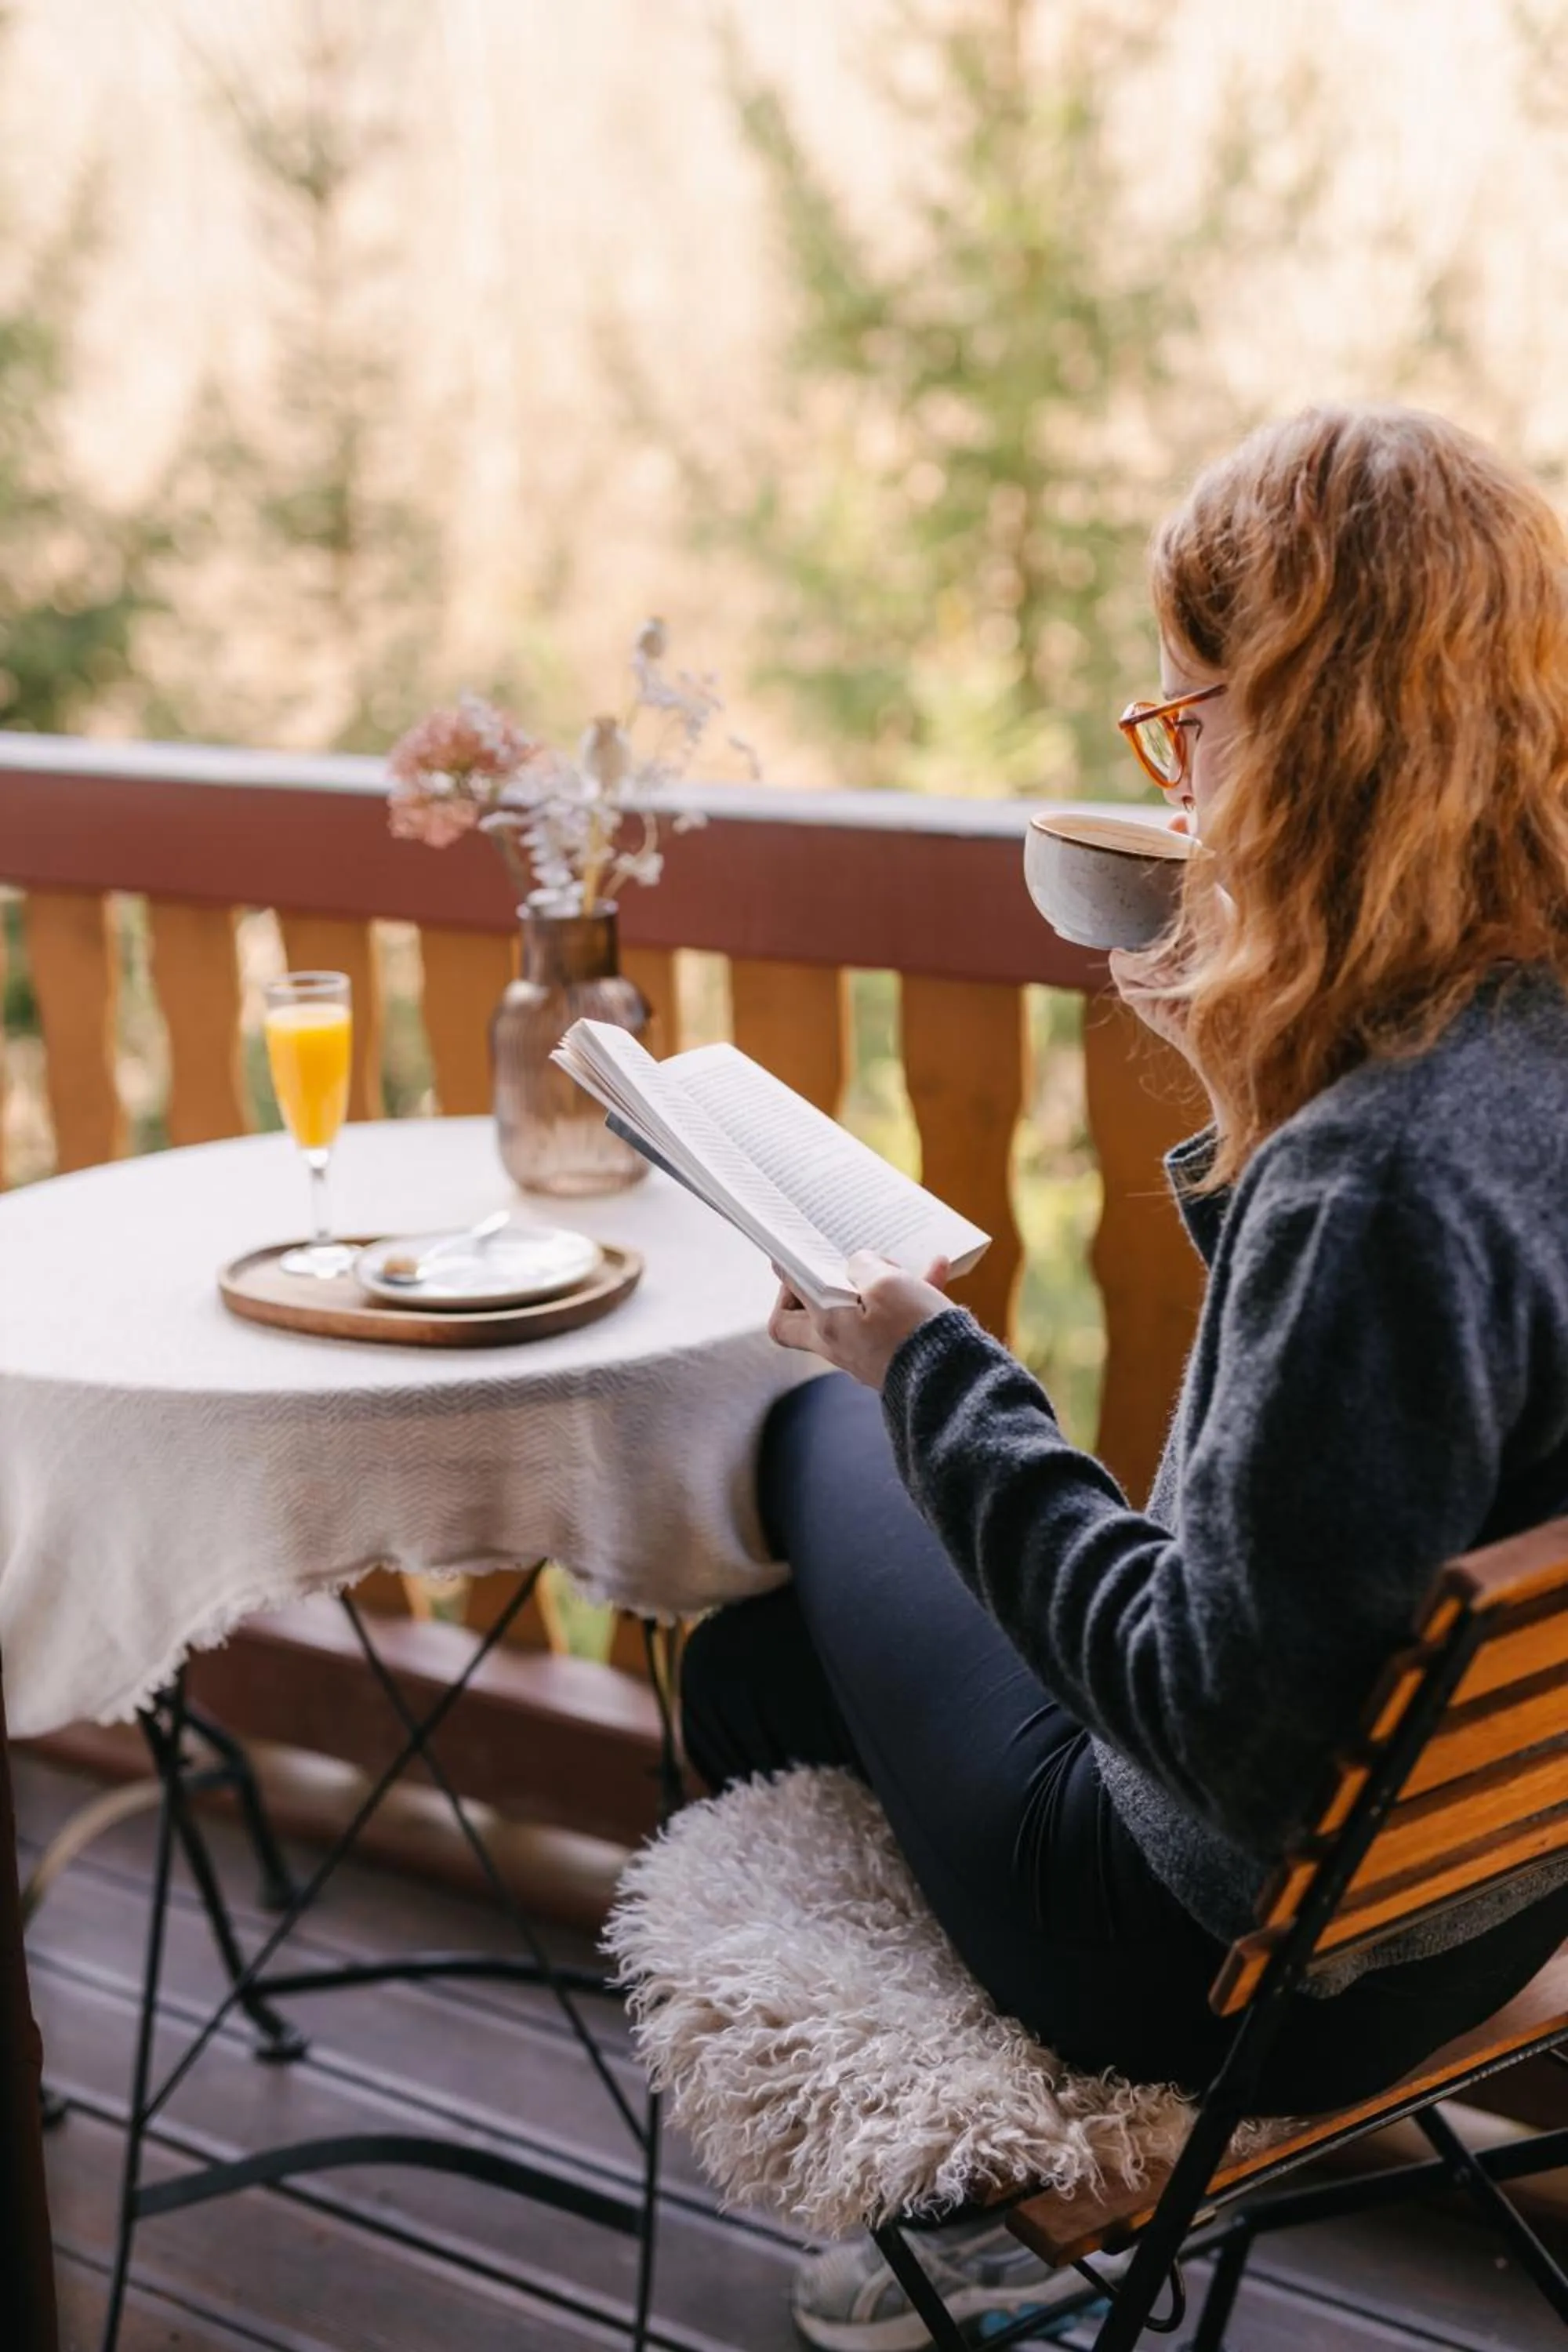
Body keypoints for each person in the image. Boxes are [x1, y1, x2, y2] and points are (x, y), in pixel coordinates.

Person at [678, 405, 1568, 2348]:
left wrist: (925, 1360)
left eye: (1189, 720)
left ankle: (995, 2176)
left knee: (811, 1427)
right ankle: (972, 2206)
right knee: (764, 1651)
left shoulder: (1385, 1171)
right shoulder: (1527, 1044)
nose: (1184, 778)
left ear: (1306, 736)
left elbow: (1215, 1719)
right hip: (1501, 1881)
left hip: (1224, 1965)